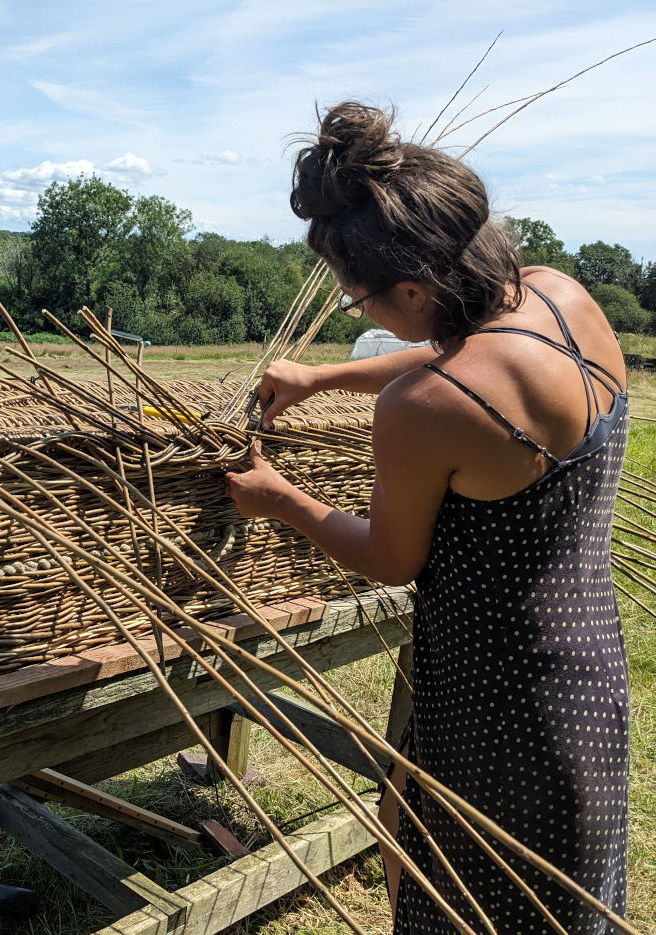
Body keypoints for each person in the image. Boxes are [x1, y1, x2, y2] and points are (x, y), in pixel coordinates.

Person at [226, 102, 629, 934]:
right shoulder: (559, 297)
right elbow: (478, 354)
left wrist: (281, 500)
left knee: (464, 890)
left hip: (496, 693)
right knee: (561, 895)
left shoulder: (425, 408)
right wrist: (323, 378)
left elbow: (389, 556)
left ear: (412, 287)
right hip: (586, 665)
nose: (363, 312)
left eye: (360, 298)